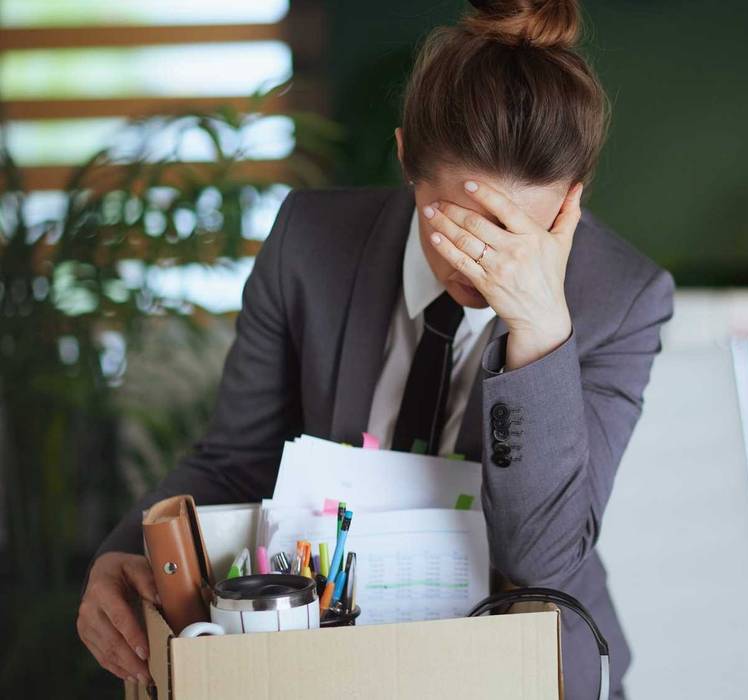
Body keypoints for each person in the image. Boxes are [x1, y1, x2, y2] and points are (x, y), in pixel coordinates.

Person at [76, 1, 673, 697]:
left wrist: (539, 331)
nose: (483, 263)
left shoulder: (620, 298)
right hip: (327, 658)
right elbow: (235, 459)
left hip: (526, 659)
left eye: (516, 235)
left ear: (572, 200)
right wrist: (122, 555)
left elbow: (541, 559)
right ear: (404, 162)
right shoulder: (308, 243)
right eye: (455, 226)